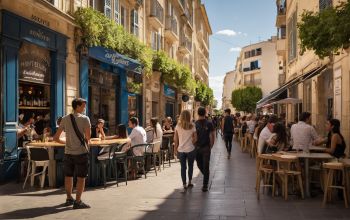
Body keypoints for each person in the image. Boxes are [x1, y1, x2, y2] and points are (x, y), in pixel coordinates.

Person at [53, 98, 91, 209]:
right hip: (81, 153)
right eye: (83, 106)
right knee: (81, 177)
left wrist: (66, 143)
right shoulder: (85, 119)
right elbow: (88, 137)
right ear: (78, 106)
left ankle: (69, 198)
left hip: (68, 153)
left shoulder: (65, 118)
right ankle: (78, 201)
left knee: (68, 176)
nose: (84, 108)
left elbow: (55, 138)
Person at [174, 110, 197, 192]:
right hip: (190, 149)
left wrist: (175, 150)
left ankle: (184, 184)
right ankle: (190, 182)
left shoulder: (177, 126)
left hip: (181, 150)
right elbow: (195, 138)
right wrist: (191, 143)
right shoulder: (192, 125)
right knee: (191, 166)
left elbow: (175, 139)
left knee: (183, 168)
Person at [195, 107, 215, 192]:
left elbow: (211, 135)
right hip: (200, 147)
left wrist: (210, 146)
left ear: (198, 113)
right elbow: (212, 135)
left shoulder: (209, 123)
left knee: (205, 166)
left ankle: (205, 185)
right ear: (205, 113)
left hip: (204, 147)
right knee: (200, 165)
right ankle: (206, 176)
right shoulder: (195, 123)